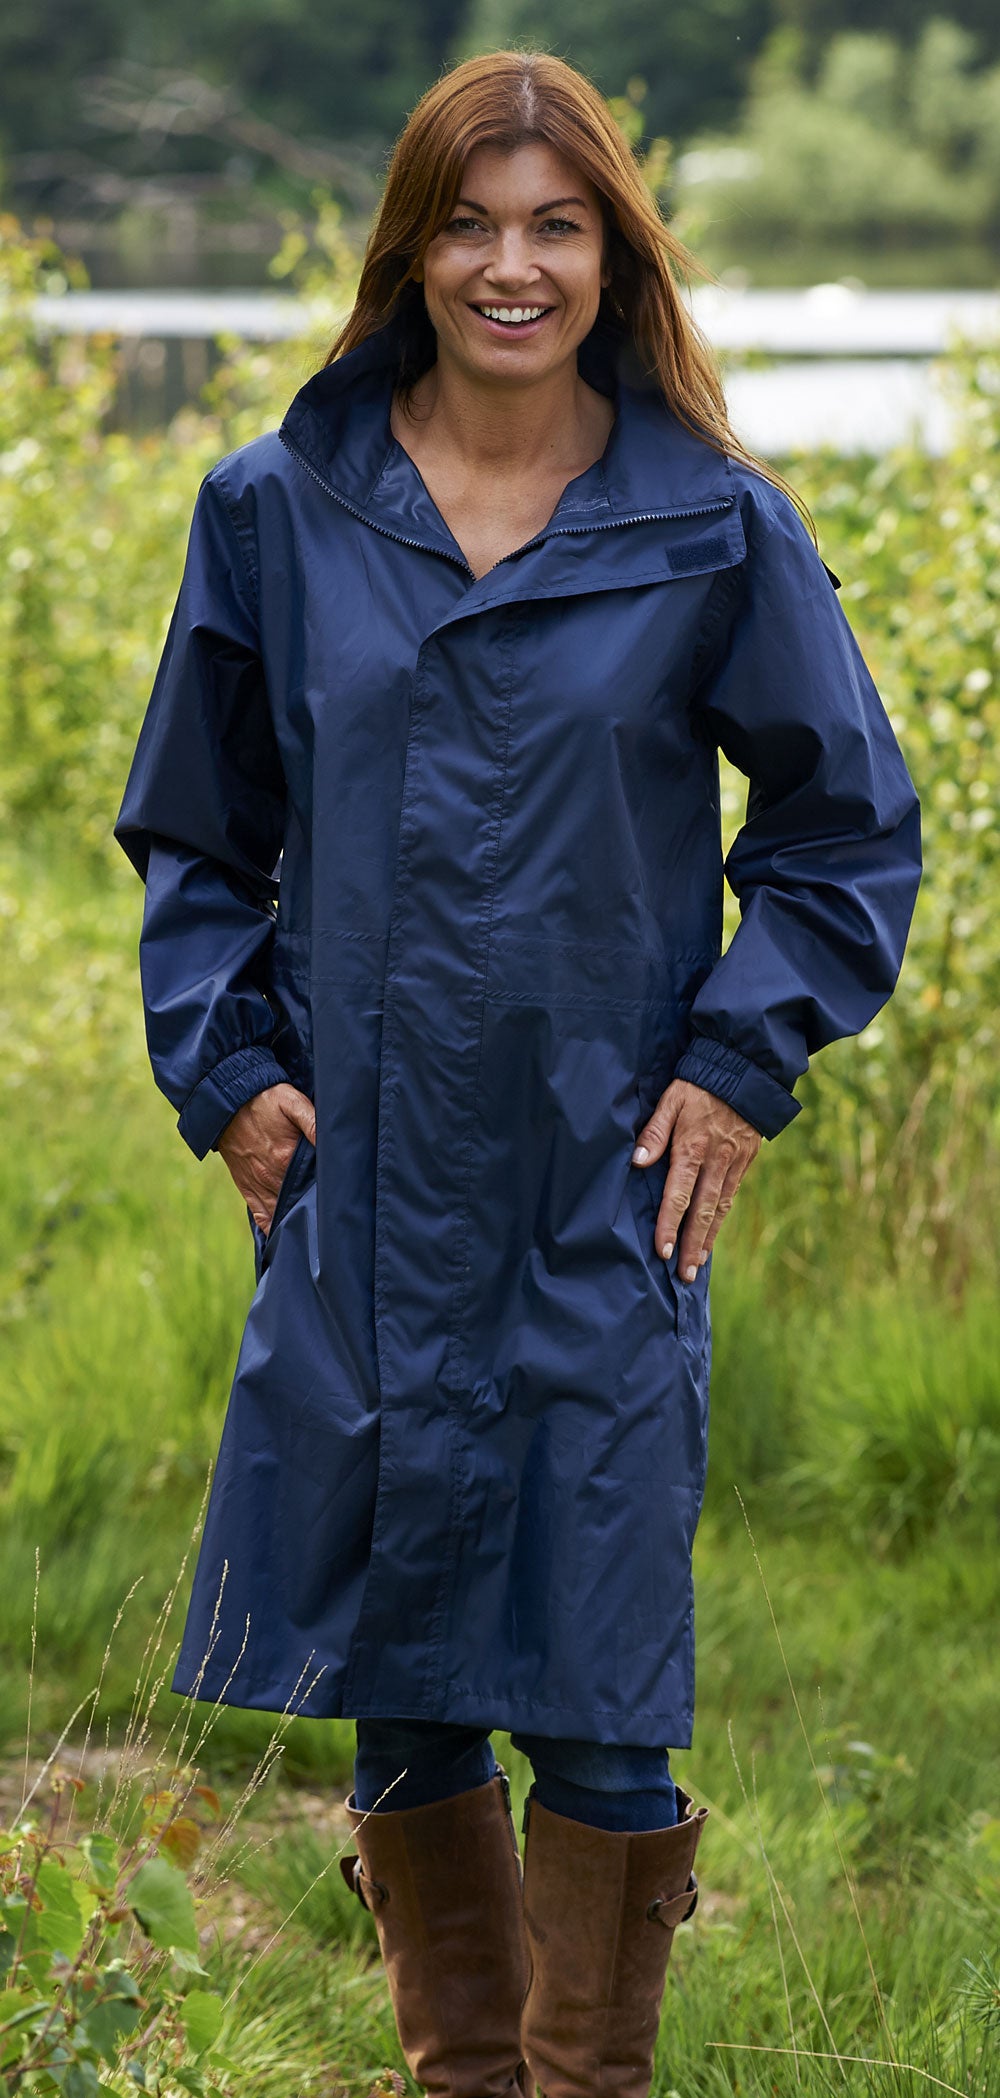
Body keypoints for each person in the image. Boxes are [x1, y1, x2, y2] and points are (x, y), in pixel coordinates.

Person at [114, 47, 921, 2098]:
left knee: (597, 1696)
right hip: (363, 1190)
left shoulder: (706, 527)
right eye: (470, 222)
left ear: (610, 256)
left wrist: (740, 1062)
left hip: (597, 1189)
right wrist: (227, 1073)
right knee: (404, 1689)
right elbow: (198, 840)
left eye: (554, 225)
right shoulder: (277, 512)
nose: (509, 264)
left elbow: (839, 833)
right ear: (409, 248)